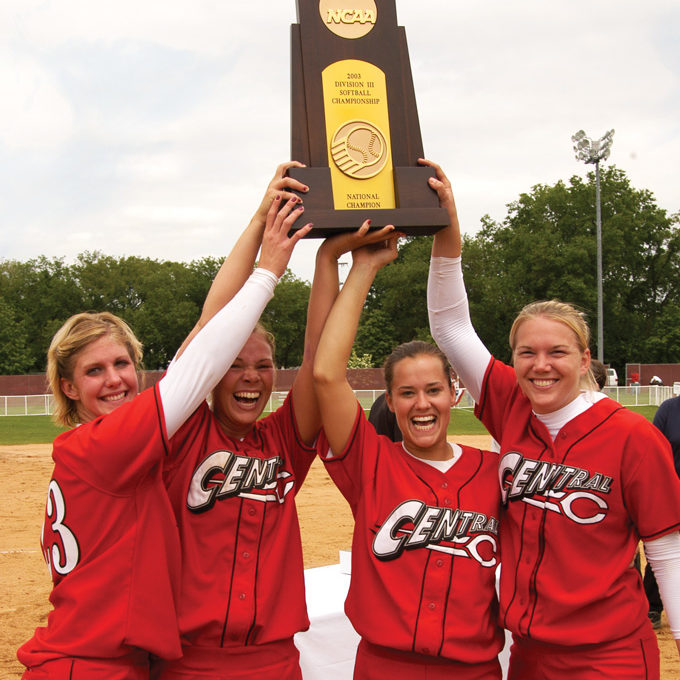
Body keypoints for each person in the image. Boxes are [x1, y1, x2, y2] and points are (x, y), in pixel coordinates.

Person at [17, 164, 313, 680]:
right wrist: (268, 271)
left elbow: (205, 325)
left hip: (109, 661)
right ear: (67, 387)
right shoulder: (104, 444)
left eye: (123, 363)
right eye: (93, 370)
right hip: (90, 667)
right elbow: (203, 357)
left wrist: (260, 214)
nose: (115, 380)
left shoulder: (111, 442)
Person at [424, 158, 680, 679]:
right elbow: (450, 325)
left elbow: (667, 551)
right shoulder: (509, 403)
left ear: (585, 360)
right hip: (529, 653)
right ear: (513, 358)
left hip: (609, 656)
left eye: (558, 352)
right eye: (526, 353)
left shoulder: (632, 436)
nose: (541, 366)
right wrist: (447, 225)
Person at [154, 220, 396, 680]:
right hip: (191, 664)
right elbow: (209, 326)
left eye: (263, 366)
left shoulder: (282, 440)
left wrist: (334, 261)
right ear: (211, 373)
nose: (251, 376)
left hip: (276, 662)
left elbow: (317, 356)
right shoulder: (183, 432)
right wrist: (263, 225)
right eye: (234, 365)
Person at [313, 230, 504, 679]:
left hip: (472, 670)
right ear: (390, 402)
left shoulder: (494, 472)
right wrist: (363, 269)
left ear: (453, 393)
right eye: (407, 393)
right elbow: (325, 374)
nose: (422, 404)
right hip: (386, 666)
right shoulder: (371, 461)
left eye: (433, 389)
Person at [645, 394, 680, 628]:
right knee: (661, 549)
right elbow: (651, 447)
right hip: (671, 491)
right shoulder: (669, 409)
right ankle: (653, 607)